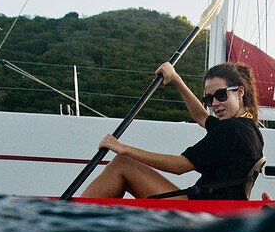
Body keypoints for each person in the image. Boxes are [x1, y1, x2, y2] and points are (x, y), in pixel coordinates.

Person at [81, 61, 264, 200]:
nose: (215, 104)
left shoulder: (231, 130)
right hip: (213, 209)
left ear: (240, 92)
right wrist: (177, 80)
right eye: (209, 99)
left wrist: (123, 149)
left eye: (221, 95)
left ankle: (70, 217)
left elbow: (180, 166)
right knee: (124, 161)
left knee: (123, 163)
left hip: (198, 212)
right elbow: (201, 117)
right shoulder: (249, 129)